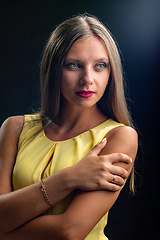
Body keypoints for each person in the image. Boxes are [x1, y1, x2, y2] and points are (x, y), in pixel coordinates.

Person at [0, 13, 138, 240]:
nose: (87, 78)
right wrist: (70, 178)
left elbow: (70, 231)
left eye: (100, 66)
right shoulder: (14, 128)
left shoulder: (119, 136)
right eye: (74, 65)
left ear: (111, 73)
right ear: (55, 69)